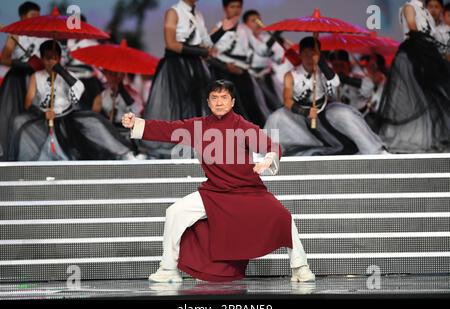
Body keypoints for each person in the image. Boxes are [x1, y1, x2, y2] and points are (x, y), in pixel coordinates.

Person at [122, 80, 316, 283]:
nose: (219, 102)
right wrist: (136, 123)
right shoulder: (199, 127)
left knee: (283, 217)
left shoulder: (244, 127)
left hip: (247, 192)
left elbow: (272, 145)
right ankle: (168, 269)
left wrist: (268, 159)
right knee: (175, 212)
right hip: (214, 192)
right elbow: (168, 129)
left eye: (224, 98)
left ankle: (300, 267)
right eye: (214, 98)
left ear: (232, 102)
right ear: (208, 102)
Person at [9, 40, 136, 161]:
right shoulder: (36, 77)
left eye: (54, 58)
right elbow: (28, 102)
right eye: (47, 58)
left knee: (96, 123)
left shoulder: (67, 75)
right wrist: (43, 114)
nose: (50, 62)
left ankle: (124, 154)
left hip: (67, 119)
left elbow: (79, 88)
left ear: (59, 58)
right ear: (42, 58)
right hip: (45, 119)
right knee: (18, 122)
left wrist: (59, 69)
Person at [264, 37, 388, 156]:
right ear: (300, 55)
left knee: (343, 114)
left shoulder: (328, 73)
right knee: (275, 118)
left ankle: (375, 151)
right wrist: (304, 111)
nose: (309, 57)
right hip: (302, 114)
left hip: (328, 111)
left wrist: (323, 65)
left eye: (312, 54)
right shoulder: (291, 75)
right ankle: (264, 153)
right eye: (305, 54)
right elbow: (287, 100)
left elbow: (336, 84)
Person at [141, 0, 233, 158]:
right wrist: (201, 53)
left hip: (195, 66)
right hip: (176, 65)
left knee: (196, 105)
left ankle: (195, 146)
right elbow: (171, 44)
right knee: (176, 105)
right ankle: (173, 147)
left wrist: (222, 30)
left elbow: (205, 44)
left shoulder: (198, 14)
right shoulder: (173, 12)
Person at [378, 0, 450, 153]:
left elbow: (432, 35)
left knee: (428, 98)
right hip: (412, 55)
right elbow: (412, 27)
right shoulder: (409, 6)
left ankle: (426, 138)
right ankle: (409, 139)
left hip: (425, 55)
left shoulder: (425, 11)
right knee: (411, 100)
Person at [0, 1, 48, 161]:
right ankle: (11, 153)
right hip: (17, 80)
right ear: (22, 16)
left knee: (37, 113)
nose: (36, 18)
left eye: (38, 15)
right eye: (32, 15)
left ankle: (35, 151)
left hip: (37, 78)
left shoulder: (42, 34)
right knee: (14, 115)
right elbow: (4, 59)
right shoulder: (16, 33)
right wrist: (24, 65)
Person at [209, 0, 268, 128]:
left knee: (250, 105)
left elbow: (261, 50)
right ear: (225, 9)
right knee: (231, 108)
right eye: (232, 6)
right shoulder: (218, 28)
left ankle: (254, 139)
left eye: (238, 7)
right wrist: (225, 66)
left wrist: (274, 37)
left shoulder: (245, 29)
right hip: (224, 74)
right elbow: (207, 51)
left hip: (243, 73)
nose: (236, 10)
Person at [243, 9, 286, 114]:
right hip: (252, 79)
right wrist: (274, 36)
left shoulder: (266, 38)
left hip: (268, 79)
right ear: (245, 25)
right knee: (259, 109)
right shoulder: (243, 40)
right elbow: (260, 54)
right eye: (253, 20)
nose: (257, 23)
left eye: (259, 20)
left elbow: (278, 59)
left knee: (277, 106)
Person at [65, 15, 104, 110]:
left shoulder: (92, 44)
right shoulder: (66, 42)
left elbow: (100, 67)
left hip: (88, 81)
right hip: (68, 79)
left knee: (94, 105)